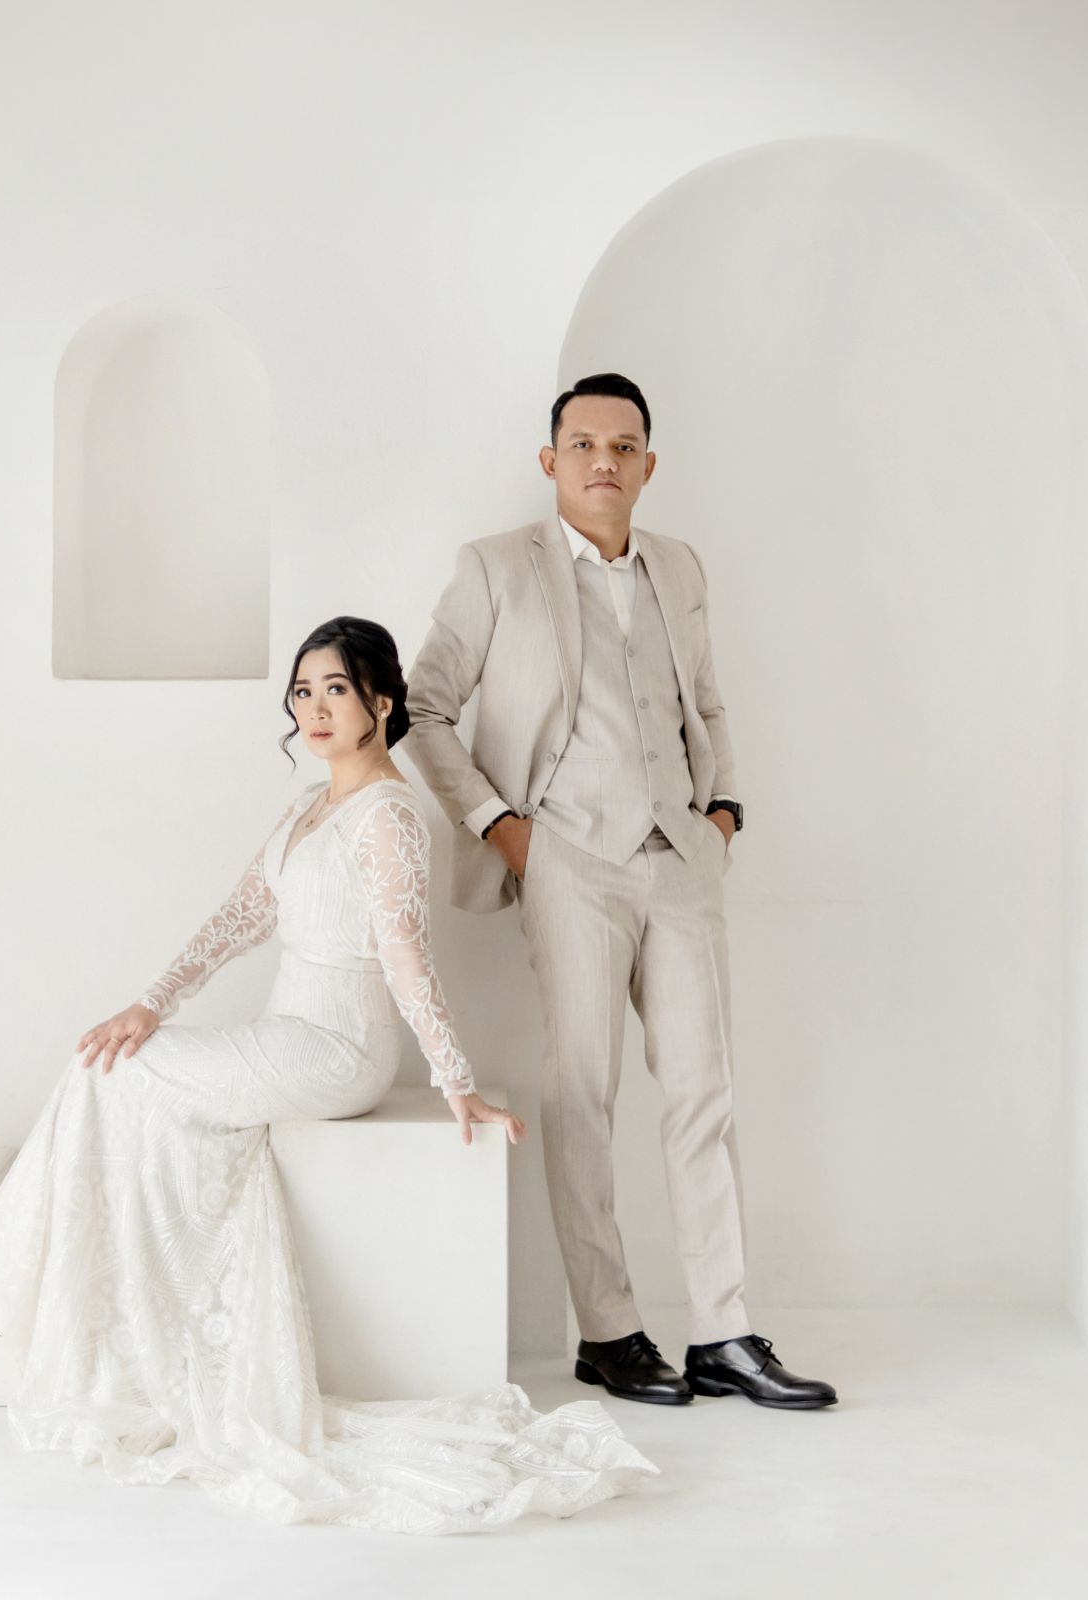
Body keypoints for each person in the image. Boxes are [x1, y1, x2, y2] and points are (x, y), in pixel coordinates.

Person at [0, 616, 659, 1534]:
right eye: (303, 691)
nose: (315, 708)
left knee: (108, 1077)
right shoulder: (307, 806)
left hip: (339, 1049)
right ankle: (28, 1287)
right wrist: (150, 1004)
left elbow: (405, 955)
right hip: (285, 1030)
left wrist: (455, 1080)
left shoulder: (391, 815)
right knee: (111, 1063)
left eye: (336, 689)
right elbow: (238, 917)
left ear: (382, 703)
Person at [401, 374, 837, 1410]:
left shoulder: (678, 566)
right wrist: (501, 827)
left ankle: (725, 1332)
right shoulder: (497, 566)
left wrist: (723, 811)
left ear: (648, 464)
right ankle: (608, 1331)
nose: (605, 460)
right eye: (585, 443)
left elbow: (708, 700)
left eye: (625, 446)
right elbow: (422, 706)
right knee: (583, 1094)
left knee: (703, 1092)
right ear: (551, 460)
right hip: (567, 859)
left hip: (679, 856)